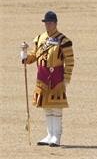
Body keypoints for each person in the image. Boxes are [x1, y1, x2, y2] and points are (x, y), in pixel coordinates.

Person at [20, 11, 74, 146]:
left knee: (56, 107)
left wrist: (66, 78)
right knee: (46, 107)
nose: (48, 25)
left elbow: (70, 61)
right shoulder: (39, 39)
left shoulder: (63, 40)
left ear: (56, 23)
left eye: (50, 23)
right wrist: (25, 55)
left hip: (56, 77)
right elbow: (33, 56)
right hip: (42, 76)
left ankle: (57, 136)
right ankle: (49, 135)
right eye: (46, 23)